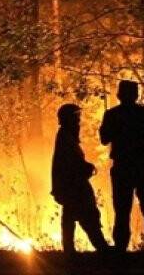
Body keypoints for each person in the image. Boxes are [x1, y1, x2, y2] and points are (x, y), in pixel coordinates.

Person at [99, 80, 144, 253]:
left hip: (124, 169)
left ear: (119, 95)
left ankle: (121, 252)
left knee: (122, 212)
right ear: (136, 95)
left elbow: (104, 138)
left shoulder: (112, 115)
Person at [52, 103, 111, 255]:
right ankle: (100, 247)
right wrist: (85, 168)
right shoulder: (65, 138)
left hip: (71, 185)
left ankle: (71, 250)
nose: (78, 121)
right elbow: (68, 163)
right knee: (87, 215)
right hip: (73, 186)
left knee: (72, 216)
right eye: (76, 117)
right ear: (68, 119)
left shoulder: (66, 136)